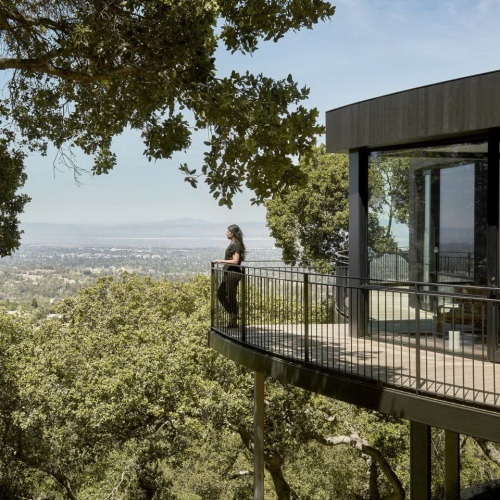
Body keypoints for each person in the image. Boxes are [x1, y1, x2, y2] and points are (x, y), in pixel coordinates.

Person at [214, 224, 246, 327]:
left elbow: (236, 261)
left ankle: (234, 318)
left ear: (232, 233)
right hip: (229, 273)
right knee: (221, 294)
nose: (226, 233)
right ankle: (233, 315)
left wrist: (221, 261)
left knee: (231, 297)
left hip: (233, 273)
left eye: (228, 232)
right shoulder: (233, 244)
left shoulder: (235, 245)